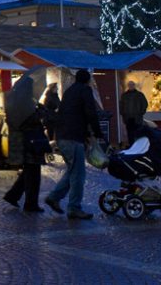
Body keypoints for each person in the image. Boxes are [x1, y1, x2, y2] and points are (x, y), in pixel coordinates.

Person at [44, 69, 103, 219]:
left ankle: (54, 197)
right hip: (73, 137)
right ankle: (74, 208)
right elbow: (91, 112)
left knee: (72, 170)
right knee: (78, 174)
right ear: (88, 80)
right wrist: (97, 132)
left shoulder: (69, 92)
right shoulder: (85, 90)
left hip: (62, 136)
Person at [3, 76, 47, 213]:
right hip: (31, 140)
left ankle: (13, 195)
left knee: (29, 170)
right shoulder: (27, 103)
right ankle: (30, 203)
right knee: (34, 173)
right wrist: (40, 111)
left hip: (22, 141)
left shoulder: (13, 101)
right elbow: (31, 120)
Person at [120, 80, 149, 146]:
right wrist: (123, 114)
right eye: (129, 85)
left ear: (134, 86)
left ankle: (138, 147)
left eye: (132, 85)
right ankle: (131, 146)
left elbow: (145, 104)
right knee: (130, 134)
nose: (131, 86)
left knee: (138, 133)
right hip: (128, 118)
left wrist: (141, 113)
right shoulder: (124, 95)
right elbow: (121, 106)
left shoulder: (139, 95)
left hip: (137, 118)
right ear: (128, 86)